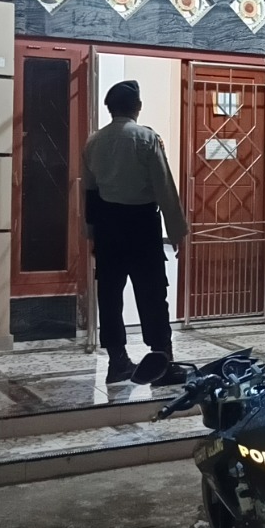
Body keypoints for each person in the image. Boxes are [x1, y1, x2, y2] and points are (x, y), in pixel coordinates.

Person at [83, 80, 188, 385]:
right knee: (152, 293)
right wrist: (176, 231)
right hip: (141, 225)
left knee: (110, 295)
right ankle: (162, 362)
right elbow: (164, 187)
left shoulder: (93, 141)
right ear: (137, 107)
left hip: (107, 225)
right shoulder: (146, 138)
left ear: (110, 108)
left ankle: (117, 361)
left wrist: (90, 234)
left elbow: (89, 192)